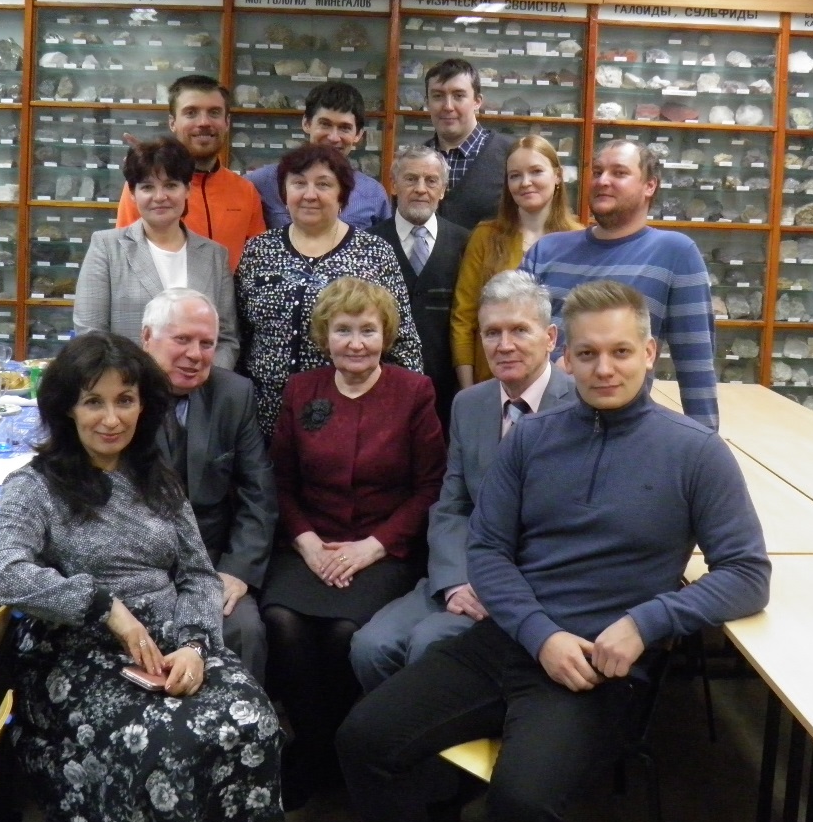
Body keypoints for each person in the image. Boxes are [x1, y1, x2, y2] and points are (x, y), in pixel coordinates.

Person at [338, 279, 770, 822]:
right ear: (566, 357)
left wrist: (646, 623)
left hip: (598, 665)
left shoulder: (696, 452)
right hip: (508, 640)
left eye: (620, 352)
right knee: (362, 740)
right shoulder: (530, 437)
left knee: (522, 802)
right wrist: (540, 635)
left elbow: (747, 573)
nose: (604, 369)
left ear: (649, 353)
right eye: (587, 354)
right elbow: (488, 549)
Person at [0, 332, 282, 822]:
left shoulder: (156, 478)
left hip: (172, 644)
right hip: (77, 653)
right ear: (67, 409)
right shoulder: (36, 487)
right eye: (93, 402)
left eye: (125, 400)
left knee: (254, 720)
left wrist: (195, 645)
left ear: (144, 406)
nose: (112, 419)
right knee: (170, 743)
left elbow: (199, 576)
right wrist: (103, 606)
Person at [261, 277, 446, 811]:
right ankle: (314, 747)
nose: (356, 342)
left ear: (386, 335)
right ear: (325, 336)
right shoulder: (302, 390)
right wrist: (306, 542)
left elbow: (430, 487)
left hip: (383, 549)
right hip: (309, 543)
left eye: (368, 330)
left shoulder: (414, 392)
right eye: (344, 330)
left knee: (345, 630)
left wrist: (373, 546)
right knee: (282, 621)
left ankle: (339, 747)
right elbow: (281, 481)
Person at [351, 270, 574, 693]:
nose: (504, 345)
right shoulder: (469, 404)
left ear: (550, 338)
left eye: (519, 330)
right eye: (492, 333)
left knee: (428, 645)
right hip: (464, 570)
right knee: (370, 646)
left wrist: (497, 585)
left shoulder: (580, 404)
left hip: (531, 587)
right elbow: (452, 504)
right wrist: (455, 581)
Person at [523, 138, 719, 430]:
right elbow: (514, 337)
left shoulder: (675, 254)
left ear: (649, 186)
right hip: (537, 428)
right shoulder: (546, 251)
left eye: (619, 173)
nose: (603, 181)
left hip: (618, 432)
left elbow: (696, 367)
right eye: (597, 172)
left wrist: (705, 445)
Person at [235, 143, 423, 440]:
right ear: (284, 193)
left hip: (351, 419)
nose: (310, 194)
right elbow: (241, 335)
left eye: (323, 184)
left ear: (342, 195)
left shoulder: (374, 253)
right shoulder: (259, 250)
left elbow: (403, 344)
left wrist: (397, 417)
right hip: (264, 419)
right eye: (299, 183)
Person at [141, 287, 278, 685]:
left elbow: (259, 495)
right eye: (182, 339)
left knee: (245, 630)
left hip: (211, 562)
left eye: (207, 344)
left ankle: (244, 723)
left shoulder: (234, 394)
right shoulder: (117, 395)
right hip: (135, 566)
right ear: (147, 337)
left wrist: (237, 571)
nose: (195, 354)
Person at [74, 136, 240, 368]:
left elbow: (226, 339)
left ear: (187, 189)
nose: (160, 197)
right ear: (133, 193)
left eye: (171, 185)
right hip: (130, 384)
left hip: (199, 386)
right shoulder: (106, 247)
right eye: (147, 187)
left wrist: (202, 379)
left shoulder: (214, 255)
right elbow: (90, 335)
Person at [451, 134, 583, 387]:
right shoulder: (485, 237)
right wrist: (469, 390)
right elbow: (464, 318)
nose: (525, 183)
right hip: (492, 383)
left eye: (536, 172)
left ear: (557, 176)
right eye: (515, 175)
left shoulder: (580, 240)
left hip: (563, 387)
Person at [115, 74, 265, 271]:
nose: (204, 122)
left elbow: (258, 262)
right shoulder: (147, 191)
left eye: (214, 113)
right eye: (191, 113)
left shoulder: (246, 191)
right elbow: (126, 258)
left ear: (227, 122)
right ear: (172, 123)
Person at [369, 145, 470, 431]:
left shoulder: (466, 243)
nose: (421, 189)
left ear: (443, 190)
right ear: (393, 184)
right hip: (380, 386)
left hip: (447, 392)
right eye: (411, 179)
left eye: (431, 180)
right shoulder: (368, 244)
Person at [245, 82, 391, 230]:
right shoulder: (261, 183)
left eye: (344, 128)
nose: (333, 137)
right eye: (325, 124)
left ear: (358, 134)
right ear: (306, 123)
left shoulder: (373, 193)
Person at [424, 58, 515, 230]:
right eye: (437, 96)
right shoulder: (415, 160)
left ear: (477, 101)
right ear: (427, 102)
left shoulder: (512, 155)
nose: (448, 106)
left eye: (458, 96)